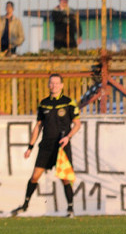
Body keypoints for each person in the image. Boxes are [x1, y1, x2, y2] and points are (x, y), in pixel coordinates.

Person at [11, 73, 81, 218]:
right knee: (35, 176)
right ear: (48, 85)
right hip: (46, 146)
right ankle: (24, 206)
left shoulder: (69, 102)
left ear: (62, 85)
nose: (54, 85)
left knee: (65, 178)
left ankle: (70, 209)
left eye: (56, 83)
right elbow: (38, 126)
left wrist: (68, 137)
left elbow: (77, 124)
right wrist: (30, 147)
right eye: (51, 83)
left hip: (62, 146)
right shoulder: (44, 104)